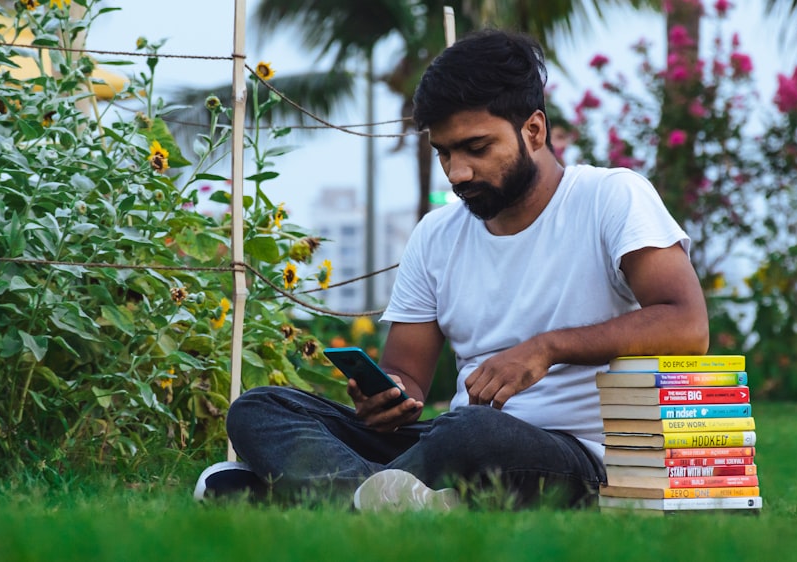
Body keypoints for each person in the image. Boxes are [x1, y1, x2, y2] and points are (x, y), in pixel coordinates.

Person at [193, 29, 709, 511]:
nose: (458, 173)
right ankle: (392, 498)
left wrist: (545, 349)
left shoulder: (611, 197)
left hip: (570, 454)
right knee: (259, 408)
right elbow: (409, 377)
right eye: (444, 154)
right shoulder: (437, 233)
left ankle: (320, 493)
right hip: (446, 439)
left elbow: (687, 325)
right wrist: (388, 396)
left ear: (533, 129)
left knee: (472, 434)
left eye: (476, 148)